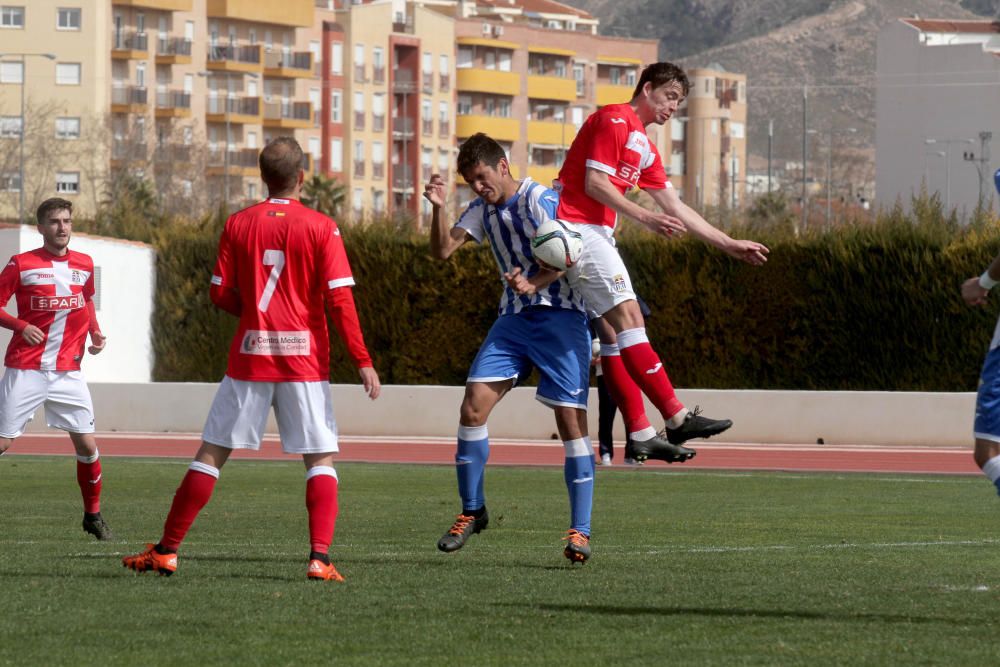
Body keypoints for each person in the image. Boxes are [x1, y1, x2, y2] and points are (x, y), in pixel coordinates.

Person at [122, 137, 381, 581]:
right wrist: (362, 359)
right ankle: (319, 559)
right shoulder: (322, 227)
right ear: (302, 177)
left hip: (251, 357)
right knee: (319, 459)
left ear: (263, 177)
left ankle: (167, 550)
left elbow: (219, 292)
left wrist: (258, 316)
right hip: (304, 362)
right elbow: (340, 300)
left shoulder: (238, 224)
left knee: (211, 454)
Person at [508, 61, 769, 460]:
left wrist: (728, 243)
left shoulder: (644, 145)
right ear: (647, 89)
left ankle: (643, 430)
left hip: (594, 235)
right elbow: (595, 184)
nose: (673, 107)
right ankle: (676, 418)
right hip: (579, 229)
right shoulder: (614, 119)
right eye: (669, 97)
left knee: (616, 336)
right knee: (631, 320)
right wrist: (645, 217)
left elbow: (675, 206)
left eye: (679, 102)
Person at [424, 132, 595, 563]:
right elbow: (443, 250)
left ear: (502, 166)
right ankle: (472, 511)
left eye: (482, 178)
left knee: (571, 423)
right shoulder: (481, 210)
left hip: (562, 317)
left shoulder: (541, 200)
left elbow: (570, 253)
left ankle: (580, 531)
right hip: (514, 321)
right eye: (470, 183)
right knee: (472, 407)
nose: (479, 188)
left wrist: (533, 281)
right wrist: (440, 207)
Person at [0, 198, 111, 540]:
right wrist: (20, 326)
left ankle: (92, 516)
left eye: (66, 221)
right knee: (3, 444)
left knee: (87, 446)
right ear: (41, 227)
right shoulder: (22, 264)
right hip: (27, 367)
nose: (62, 227)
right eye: (54, 222)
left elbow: (87, 300)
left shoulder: (85, 263)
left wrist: (94, 332)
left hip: (68, 372)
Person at [592, 297, 651, 466]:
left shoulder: (626, 303)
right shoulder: (595, 308)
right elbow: (589, 338)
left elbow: (645, 311)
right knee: (606, 415)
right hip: (606, 373)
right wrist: (592, 354)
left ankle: (632, 452)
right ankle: (605, 454)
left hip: (630, 371)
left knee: (631, 413)